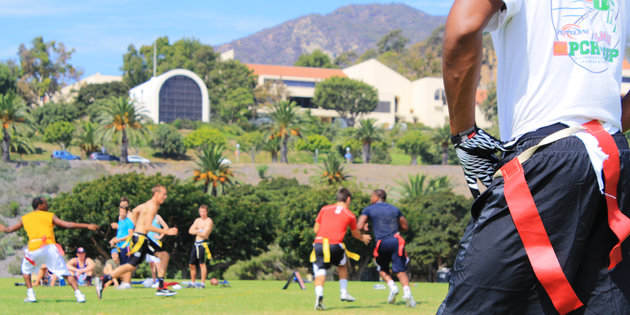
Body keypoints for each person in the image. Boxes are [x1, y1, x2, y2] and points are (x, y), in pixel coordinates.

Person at [439, 1, 630, 314]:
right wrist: (611, 121)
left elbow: (464, 26)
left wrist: (465, 135)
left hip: (546, 156)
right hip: (614, 160)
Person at [0, 197, 97, 303]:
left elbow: (9, 230)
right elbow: (68, 225)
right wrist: (87, 226)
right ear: (40, 205)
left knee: (25, 270)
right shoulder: (49, 215)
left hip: (34, 248)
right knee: (65, 272)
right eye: (45, 203)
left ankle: (31, 295)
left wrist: (3, 228)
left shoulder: (25, 218)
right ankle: (79, 296)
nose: (47, 205)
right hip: (49, 247)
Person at [96, 185, 178, 298]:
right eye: (164, 194)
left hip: (141, 237)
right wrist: (167, 231)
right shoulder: (153, 206)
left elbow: (134, 211)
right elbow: (148, 226)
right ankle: (103, 280)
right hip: (140, 239)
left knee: (163, 256)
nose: (166, 196)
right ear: (156, 194)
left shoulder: (148, 204)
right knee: (131, 265)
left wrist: (135, 226)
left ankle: (161, 286)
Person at [311, 188, 371, 311]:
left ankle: (319, 294)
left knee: (320, 270)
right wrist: (363, 237)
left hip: (319, 244)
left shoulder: (324, 209)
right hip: (335, 245)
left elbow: (315, 230)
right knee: (342, 264)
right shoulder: (350, 214)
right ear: (348, 199)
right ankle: (343, 292)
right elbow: (355, 234)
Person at [356, 189, 415, 307]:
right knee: (400, 270)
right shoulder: (394, 209)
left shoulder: (369, 209)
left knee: (382, 269)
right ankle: (407, 293)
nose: (370, 199)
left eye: (371, 196)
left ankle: (393, 287)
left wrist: (364, 230)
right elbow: (405, 226)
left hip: (381, 242)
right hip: (396, 240)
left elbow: (359, 226)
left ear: (376, 197)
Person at [108, 198, 133, 289]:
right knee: (122, 265)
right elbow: (120, 233)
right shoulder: (120, 221)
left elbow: (130, 235)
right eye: (120, 211)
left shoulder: (129, 221)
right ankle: (124, 282)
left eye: (123, 212)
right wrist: (114, 240)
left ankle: (127, 283)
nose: (121, 213)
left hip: (126, 245)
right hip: (120, 246)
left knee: (127, 265)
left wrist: (120, 240)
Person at [187, 205, 213, 288]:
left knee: (202, 263)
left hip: (203, 244)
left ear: (207, 212)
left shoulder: (209, 221)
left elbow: (205, 234)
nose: (202, 213)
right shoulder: (197, 220)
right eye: (200, 211)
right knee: (191, 264)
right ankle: (193, 282)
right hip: (196, 243)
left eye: (204, 211)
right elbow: (190, 231)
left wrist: (196, 231)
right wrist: (199, 231)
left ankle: (202, 283)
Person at [146, 214, 168, 288]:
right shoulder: (147, 216)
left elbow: (166, 227)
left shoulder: (157, 217)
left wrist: (160, 236)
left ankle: (160, 281)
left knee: (158, 264)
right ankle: (154, 281)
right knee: (151, 264)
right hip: (148, 244)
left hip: (155, 243)